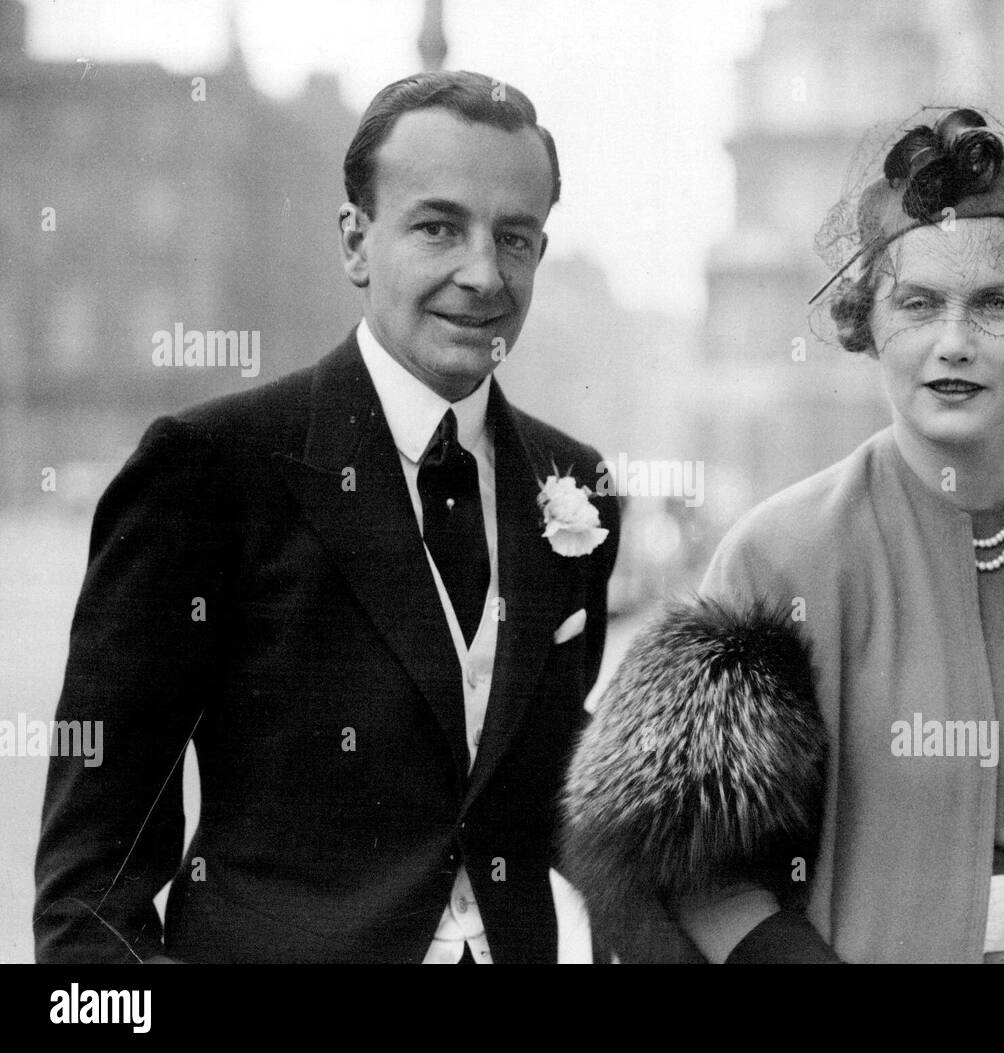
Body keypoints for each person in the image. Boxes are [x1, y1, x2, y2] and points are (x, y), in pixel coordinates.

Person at [561, 108, 1004, 963]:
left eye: (996, 303)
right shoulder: (780, 555)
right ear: (871, 325)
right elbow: (685, 861)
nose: (953, 343)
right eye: (919, 304)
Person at [34, 70, 620, 964]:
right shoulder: (210, 468)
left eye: (514, 238)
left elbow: (539, 793)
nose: (483, 275)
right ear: (355, 242)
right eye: (438, 227)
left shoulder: (576, 482)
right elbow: (89, 890)